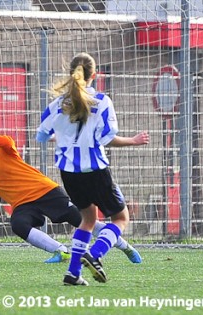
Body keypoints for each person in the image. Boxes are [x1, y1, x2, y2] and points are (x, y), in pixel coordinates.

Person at [0, 124, 141, 266]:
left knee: (82, 221)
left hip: (46, 191)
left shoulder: (4, 149)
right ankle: (61, 251)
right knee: (18, 224)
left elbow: (7, 141)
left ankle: (125, 246)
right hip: (24, 204)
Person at [36, 52, 149, 285]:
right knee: (120, 217)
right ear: (93, 75)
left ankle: (73, 273)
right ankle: (94, 254)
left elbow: (42, 135)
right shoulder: (101, 101)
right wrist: (133, 140)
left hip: (69, 172)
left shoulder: (57, 104)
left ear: (70, 75)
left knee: (87, 220)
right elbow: (106, 138)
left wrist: (65, 137)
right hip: (95, 170)